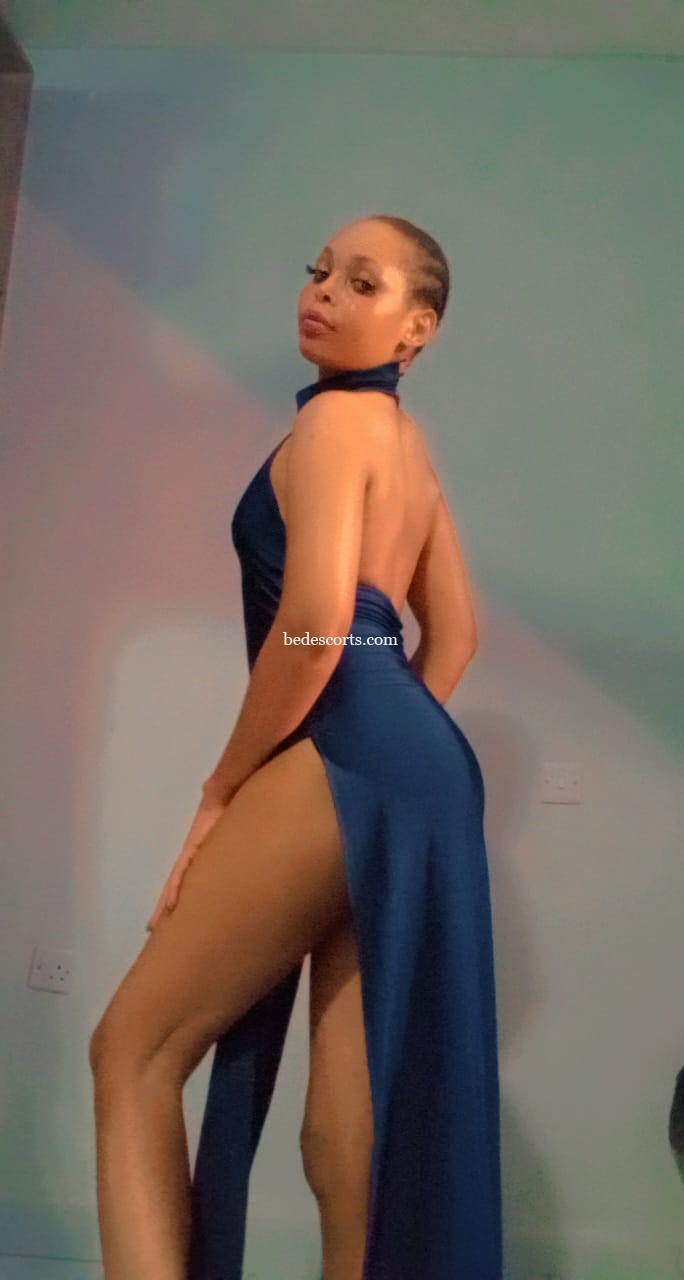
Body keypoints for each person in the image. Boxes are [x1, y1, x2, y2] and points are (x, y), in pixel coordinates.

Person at [88, 214, 503, 1280]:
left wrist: (224, 786)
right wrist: (396, 735)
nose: (322, 291)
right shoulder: (408, 448)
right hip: (423, 762)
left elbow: (315, 623)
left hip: (353, 741)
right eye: (319, 271)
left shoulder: (331, 428)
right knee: (345, 1132)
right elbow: (456, 636)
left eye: (362, 282)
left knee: (132, 1051)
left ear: (416, 328)